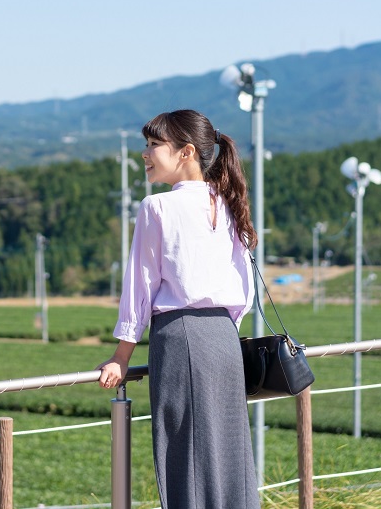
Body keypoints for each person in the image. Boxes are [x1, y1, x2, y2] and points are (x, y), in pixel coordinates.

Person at [97, 109, 260, 509]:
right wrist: (221, 327)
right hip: (224, 339)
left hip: (181, 337)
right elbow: (244, 287)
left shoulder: (157, 208)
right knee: (227, 453)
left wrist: (121, 357)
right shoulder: (228, 203)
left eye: (154, 145)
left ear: (186, 151)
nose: (145, 154)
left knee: (185, 455)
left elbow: (141, 286)